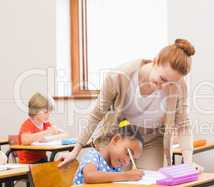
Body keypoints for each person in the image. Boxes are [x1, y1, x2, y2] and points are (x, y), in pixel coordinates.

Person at [59, 38, 195, 170]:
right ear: (156, 60)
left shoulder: (180, 86)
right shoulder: (119, 76)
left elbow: (183, 124)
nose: (164, 86)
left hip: (153, 140)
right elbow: (96, 115)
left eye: (171, 83)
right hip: (120, 136)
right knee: (117, 185)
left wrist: (189, 163)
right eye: (163, 79)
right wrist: (75, 151)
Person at [72, 124, 144, 187]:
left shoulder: (115, 168)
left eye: (131, 160)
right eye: (127, 153)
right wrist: (126, 176)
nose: (126, 162)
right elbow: (89, 176)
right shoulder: (93, 155)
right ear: (116, 140)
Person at [18, 92, 67, 163]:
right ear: (35, 110)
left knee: (64, 163)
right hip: (29, 163)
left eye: (50, 112)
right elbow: (25, 140)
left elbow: (64, 134)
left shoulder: (46, 124)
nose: (48, 115)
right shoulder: (27, 124)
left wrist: (48, 138)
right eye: (45, 112)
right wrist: (46, 132)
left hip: (42, 160)